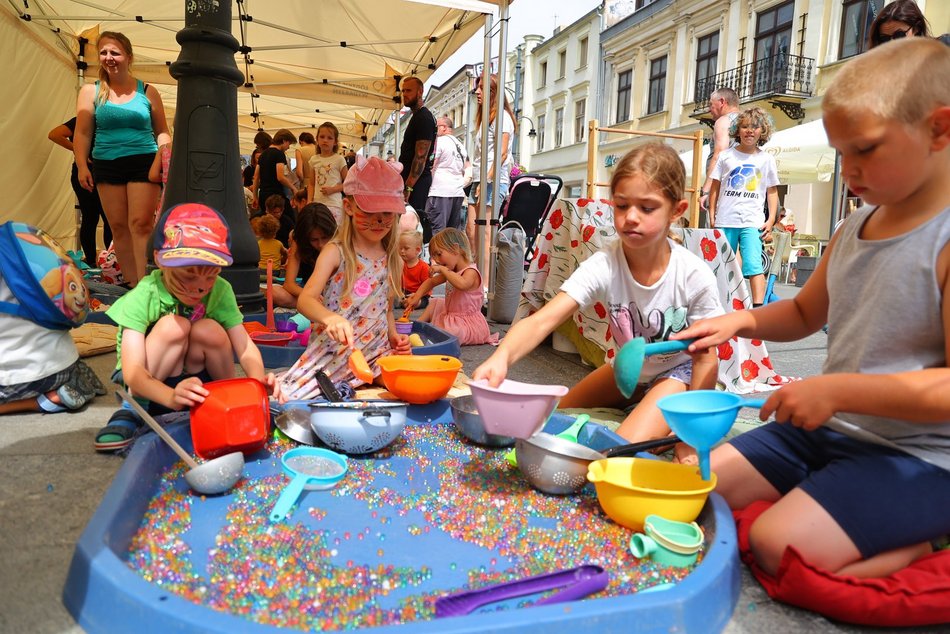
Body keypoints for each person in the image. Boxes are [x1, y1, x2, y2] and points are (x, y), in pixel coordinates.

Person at [674, 38, 950, 580]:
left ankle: (924, 542)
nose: (849, 169)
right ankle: (839, 511)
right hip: (828, 430)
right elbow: (804, 313)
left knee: (780, 547)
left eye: (865, 149)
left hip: (918, 459)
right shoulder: (853, 226)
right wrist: (741, 319)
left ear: (939, 130)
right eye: (840, 152)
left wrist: (836, 389)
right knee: (690, 492)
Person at [473, 143, 722, 455]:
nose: (631, 217)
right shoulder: (606, 262)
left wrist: (691, 435)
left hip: (680, 373)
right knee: (553, 417)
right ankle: (641, 401)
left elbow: (706, 358)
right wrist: (501, 358)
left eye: (647, 208)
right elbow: (543, 320)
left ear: (677, 211)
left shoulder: (693, 276)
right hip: (629, 368)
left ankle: (655, 411)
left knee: (621, 450)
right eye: (621, 206)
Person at [95, 203, 280, 451]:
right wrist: (170, 397)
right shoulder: (146, 293)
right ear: (160, 260)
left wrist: (256, 384)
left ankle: (230, 400)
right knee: (174, 326)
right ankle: (134, 410)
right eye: (188, 276)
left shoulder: (221, 290)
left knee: (210, 330)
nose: (201, 287)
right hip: (151, 384)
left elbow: (245, 347)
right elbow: (134, 372)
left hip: (199, 384)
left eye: (211, 275)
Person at [278, 156, 411, 401]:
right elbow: (305, 300)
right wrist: (330, 319)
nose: (379, 220)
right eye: (369, 211)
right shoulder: (335, 251)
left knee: (412, 385)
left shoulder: (393, 257)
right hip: (335, 352)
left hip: (376, 354)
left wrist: (394, 336)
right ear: (349, 207)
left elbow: (387, 309)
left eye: (387, 212)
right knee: (286, 397)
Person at [73, 31, 171, 287]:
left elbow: (161, 131)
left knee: (140, 224)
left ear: (128, 56)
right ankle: (132, 285)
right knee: (118, 227)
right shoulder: (90, 91)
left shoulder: (148, 91)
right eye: (104, 52)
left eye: (114, 52)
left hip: (143, 162)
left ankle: (147, 284)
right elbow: (82, 132)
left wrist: (165, 155)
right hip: (106, 163)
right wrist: (82, 165)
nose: (109, 58)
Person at [708, 106, 780, 306]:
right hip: (725, 219)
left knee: (754, 266)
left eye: (755, 127)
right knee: (723, 265)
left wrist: (771, 219)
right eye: (745, 126)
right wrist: (712, 215)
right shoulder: (725, 157)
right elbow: (715, 187)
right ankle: (721, 303)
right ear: (737, 131)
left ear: (762, 132)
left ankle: (757, 309)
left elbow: (771, 191)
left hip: (752, 221)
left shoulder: (766, 159)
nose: (750, 130)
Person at [406, 228, 498, 346]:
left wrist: (443, 270)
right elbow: (431, 282)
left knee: (452, 332)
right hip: (452, 316)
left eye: (439, 254)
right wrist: (417, 296)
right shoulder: (452, 271)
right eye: (434, 256)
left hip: (468, 323)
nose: (437, 260)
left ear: (455, 249)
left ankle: (434, 337)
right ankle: (417, 327)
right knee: (435, 303)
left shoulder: (471, 272)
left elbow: (462, 284)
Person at [47, 118, 112, 268]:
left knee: (106, 218)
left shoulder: (107, 120)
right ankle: (93, 261)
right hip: (86, 173)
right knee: (93, 217)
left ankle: (108, 261)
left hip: (105, 173)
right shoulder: (82, 120)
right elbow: (54, 134)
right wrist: (78, 150)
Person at [467, 73, 516, 251]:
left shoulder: (501, 117)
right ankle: (477, 274)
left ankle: (486, 279)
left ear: (494, 92)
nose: (477, 92)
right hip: (480, 178)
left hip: (492, 180)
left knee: (485, 233)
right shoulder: (486, 118)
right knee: (472, 231)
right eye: (477, 88)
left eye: (482, 88)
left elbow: (502, 154)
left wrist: (487, 179)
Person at [272, 203, 337, 309]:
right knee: (275, 292)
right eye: (314, 240)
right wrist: (310, 296)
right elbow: (289, 284)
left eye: (325, 238)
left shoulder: (341, 242)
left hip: (334, 295)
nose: (320, 244)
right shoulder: (298, 243)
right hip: (310, 295)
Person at [397, 77, 437, 240]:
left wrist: (409, 187)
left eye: (408, 90)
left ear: (420, 92)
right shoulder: (417, 117)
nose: (404, 94)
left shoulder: (424, 118)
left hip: (416, 183)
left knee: (411, 227)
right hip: (412, 181)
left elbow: (420, 157)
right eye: (403, 91)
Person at [425, 115, 469, 235]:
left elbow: (432, 164)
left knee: (437, 232)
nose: (434, 130)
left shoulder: (440, 142)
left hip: (440, 191)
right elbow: (466, 168)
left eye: (436, 127)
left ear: (443, 128)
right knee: (452, 233)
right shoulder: (460, 145)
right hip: (457, 192)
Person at [699, 87, 740, 215]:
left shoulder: (723, 121)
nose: (709, 109)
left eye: (711, 104)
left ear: (722, 102)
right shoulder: (748, 122)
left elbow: (719, 154)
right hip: (741, 188)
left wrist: (706, 190)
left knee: (717, 233)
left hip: (722, 188)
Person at [252, 129, 297, 221]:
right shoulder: (279, 154)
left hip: (263, 195)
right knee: (290, 220)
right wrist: (293, 188)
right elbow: (280, 177)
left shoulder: (263, 154)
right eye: (289, 144)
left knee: (268, 222)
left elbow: (256, 177)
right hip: (275, 195)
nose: (288, 147)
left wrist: (255, 196)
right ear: (284, 140)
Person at [308, 122, 348, 222]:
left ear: (335, 142)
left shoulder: (339, 159)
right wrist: (309, 200)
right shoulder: (313, 160)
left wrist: (333, 189)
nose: (325, 140)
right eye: (322, 137)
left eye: (330, 138)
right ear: (317, 139)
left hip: (334, 204)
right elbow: (311, 183)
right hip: (317, 205)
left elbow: (348, 183)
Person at [397, 230, 430, 310]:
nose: (402, 251)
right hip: (403, 292)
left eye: (406, 248)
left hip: (420, 294)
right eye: (400, 248)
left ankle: (408, 303)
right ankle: (403, 302)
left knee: (418, 302)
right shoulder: (399, 264)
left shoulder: (424, 267)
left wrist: (417, 295)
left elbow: (428, 286)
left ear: (417, 250)